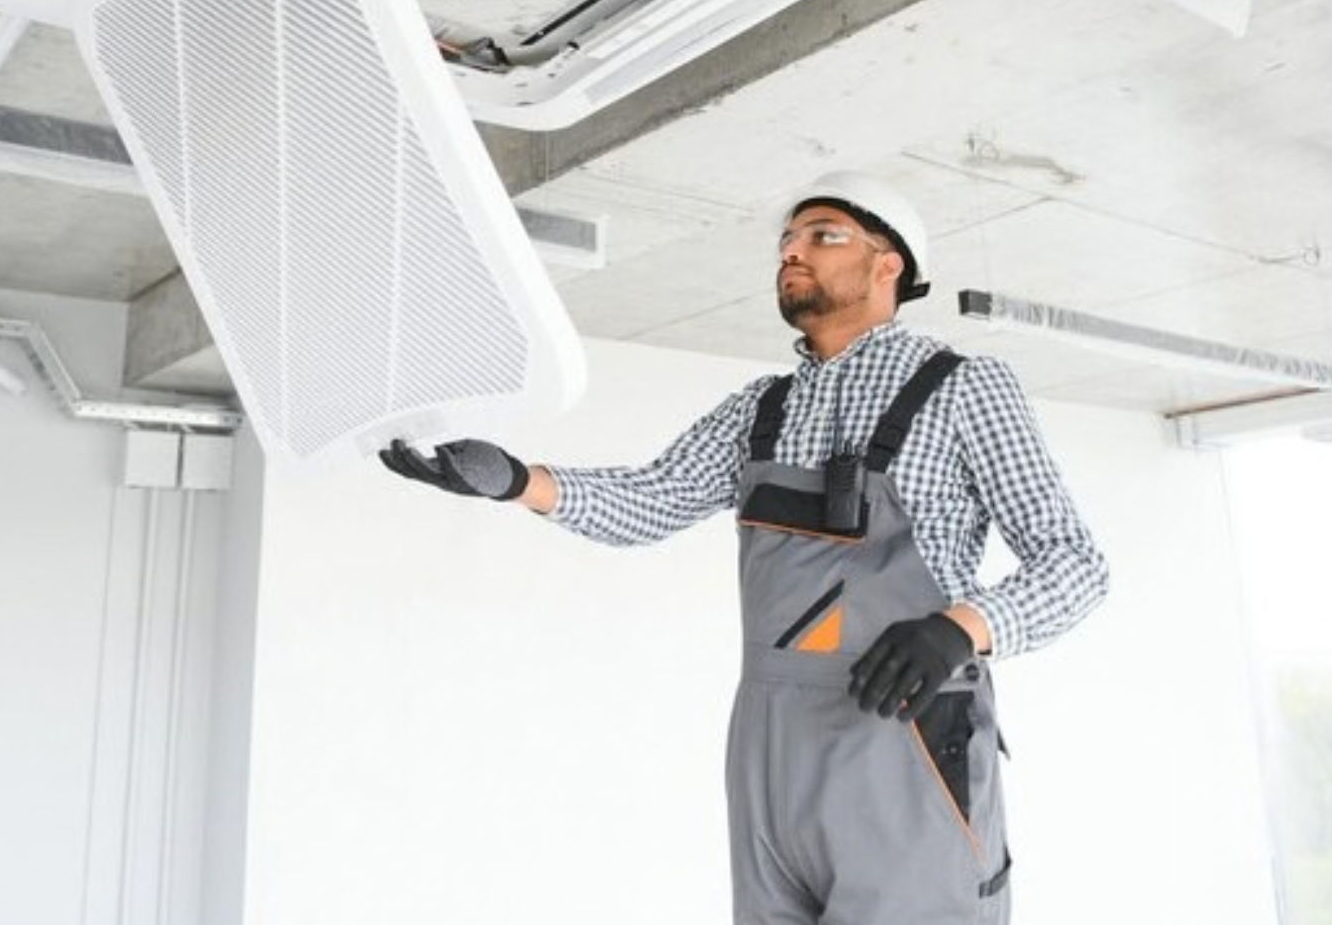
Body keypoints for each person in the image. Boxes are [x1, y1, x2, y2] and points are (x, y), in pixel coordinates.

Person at [380, 170, 1109, 925]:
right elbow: (654, 497)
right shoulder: (760, 408)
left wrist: (961, 628)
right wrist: (514, 480)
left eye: (823, 235)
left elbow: (1075, 563)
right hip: (769, 745)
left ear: (889, 264)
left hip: (905, 740)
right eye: (787, 241)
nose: (793, 252)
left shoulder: (963, 388)